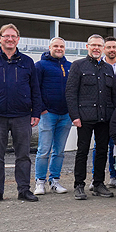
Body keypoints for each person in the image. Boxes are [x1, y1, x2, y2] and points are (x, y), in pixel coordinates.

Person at [0, 23, 41, 203]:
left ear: (18, 39)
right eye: (6, 36)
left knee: (23, 156)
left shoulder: (27, 62)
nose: (10, 39)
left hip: (22, 116)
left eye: (13, 36)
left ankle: (24, 190)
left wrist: (36, 112)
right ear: (0, 38)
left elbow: (35, 90)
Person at [66, 34, 116, 200]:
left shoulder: (108, 68)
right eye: (93, 45)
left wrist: (115, 116)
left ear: (103, 48)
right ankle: (79, 185)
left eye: (99, 45)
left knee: (102, 150)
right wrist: (74, 116)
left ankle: (98, 183)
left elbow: (114, 94)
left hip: (104, 117)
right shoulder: (78, 66)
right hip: (84, 117)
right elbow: (70, 92)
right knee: (82, 151)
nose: (96, 48)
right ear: (87, 46)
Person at [34, 37, 71, 195]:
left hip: (66, 115)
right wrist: (42, 109)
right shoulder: (40, 66)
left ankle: (54, 181)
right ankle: (40, 182)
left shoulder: (70, 66)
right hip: (48, 114)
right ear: (49, 47)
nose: (59, 48)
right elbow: (34, 89)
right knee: (44, 150)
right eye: (56, 46)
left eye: (61, 46)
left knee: (60, 151)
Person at [91, 36, 116, 189]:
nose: (111, 50)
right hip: (102, 112)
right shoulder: (99, 66)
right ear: (104, 49)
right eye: (108, 47)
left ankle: (114, 176)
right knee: (100, 146)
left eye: (114, 47)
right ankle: (95, 178)